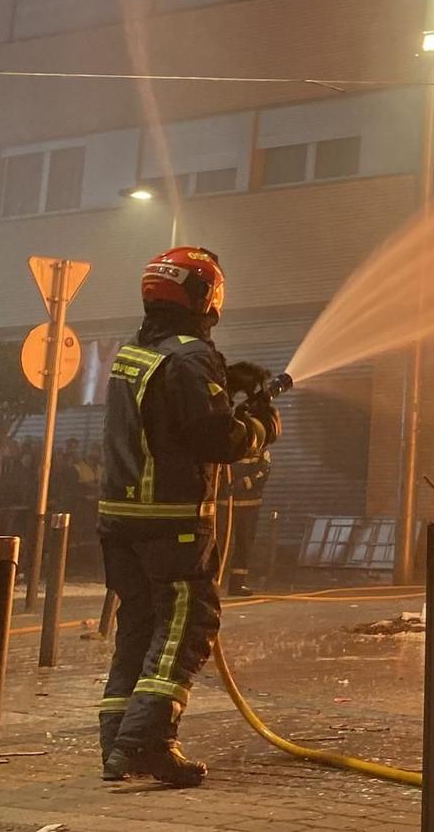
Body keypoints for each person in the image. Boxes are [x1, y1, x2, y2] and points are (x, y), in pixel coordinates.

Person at [97, 247, 280, 788]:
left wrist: (224, 374)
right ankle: (141, 742)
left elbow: (168, 408)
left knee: (141, 626)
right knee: (187, 627)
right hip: (171, 522)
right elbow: (214, 438)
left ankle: (118, 740)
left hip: (119, 522)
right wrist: (261, 425)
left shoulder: (137, 350)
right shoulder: (190, 358)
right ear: (205, 295)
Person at [223, 445, 271, 598]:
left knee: (244, 545)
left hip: (249, 507)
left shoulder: (261, 451)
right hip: (224, 506)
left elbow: (263, 472)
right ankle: (214, 583)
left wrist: (243, 483)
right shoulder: (222, 446)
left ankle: (236, 585)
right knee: (219, 546)